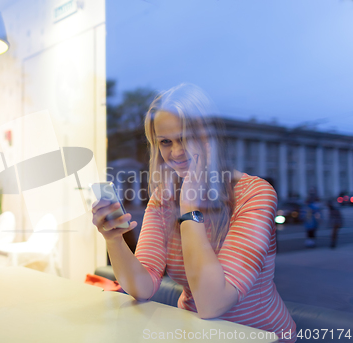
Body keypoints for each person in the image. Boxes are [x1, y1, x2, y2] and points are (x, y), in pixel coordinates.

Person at [92, 83, 296, 343]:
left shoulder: (255, 194)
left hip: (260, 335)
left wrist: (189, 207)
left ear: (209, 138)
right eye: (166, 142)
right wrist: (114, 239)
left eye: (187, 138)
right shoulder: (164, 198)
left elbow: (213, 303)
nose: (176, 153)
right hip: (194, 333)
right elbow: (142, 287)